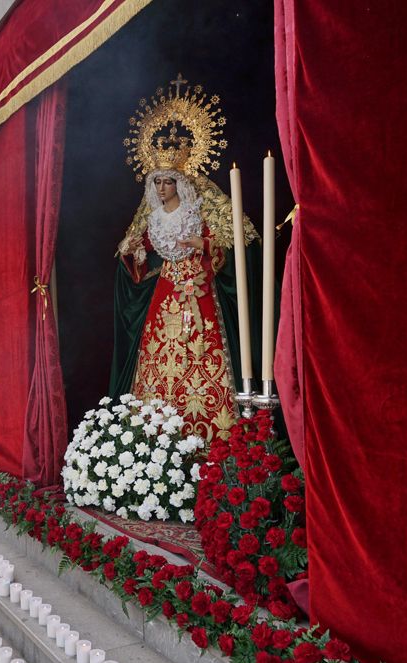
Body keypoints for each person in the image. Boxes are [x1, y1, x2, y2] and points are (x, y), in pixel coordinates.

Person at [112, 79, 258, 442]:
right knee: (159, 361)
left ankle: (215, 436)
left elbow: (232, 245)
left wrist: (204, 243)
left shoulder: (198, 209)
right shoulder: (152, 218)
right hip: (165, 295)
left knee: (203, 356)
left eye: (167, 182)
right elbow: (139, 263)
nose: (161, 188)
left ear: (179, 182)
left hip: (200, 292)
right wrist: (132, 250)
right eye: (156, 182)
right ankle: (157, 439)